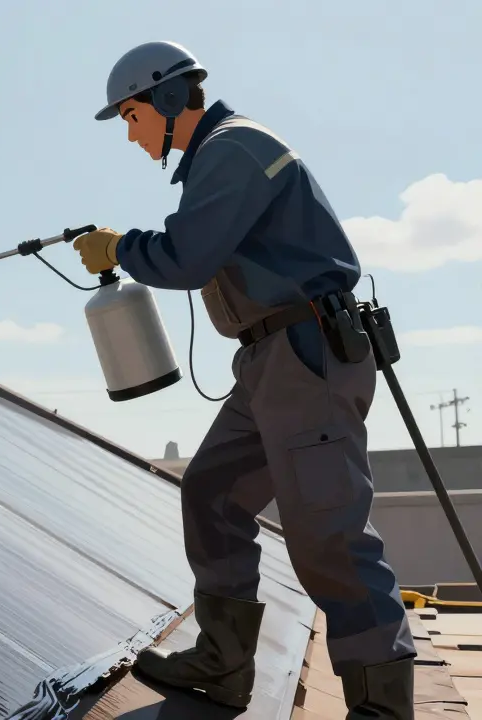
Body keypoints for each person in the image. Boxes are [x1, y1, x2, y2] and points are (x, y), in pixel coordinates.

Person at [71, 41, 417, 718]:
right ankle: (225, 663)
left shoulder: (233, 148)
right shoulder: (221, 157)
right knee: (212, 492)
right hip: (268, 360)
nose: (133, 135)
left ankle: (383, 706)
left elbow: (187, 256)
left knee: (327, 534)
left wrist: (118, 248)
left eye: (133, 118)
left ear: (168, 101)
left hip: (304, 352)